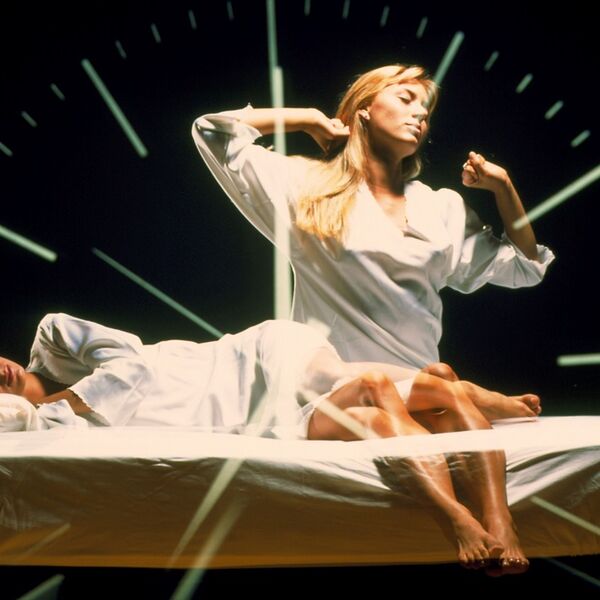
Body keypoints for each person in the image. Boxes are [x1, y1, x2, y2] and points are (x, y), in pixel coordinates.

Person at [1, 312, 533, 575]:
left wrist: (59, 401)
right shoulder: (51, 428)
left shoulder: (55, 340)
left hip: (253, 362)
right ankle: (460, 397)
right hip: (265, 420)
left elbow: (129, 366)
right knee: (392, 398)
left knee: (349, 379)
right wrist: (38, 413)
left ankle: (493, 511)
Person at [191, 64, 555, 369]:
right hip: (335, 397)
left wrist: (503, 187)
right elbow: (212, 132)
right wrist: (309, 119)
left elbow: (523, 267)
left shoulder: (441, 207)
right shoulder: (308, 189)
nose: (420, 113)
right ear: (364, 108)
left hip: (422, 393)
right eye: (405, 99)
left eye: (426, 110)